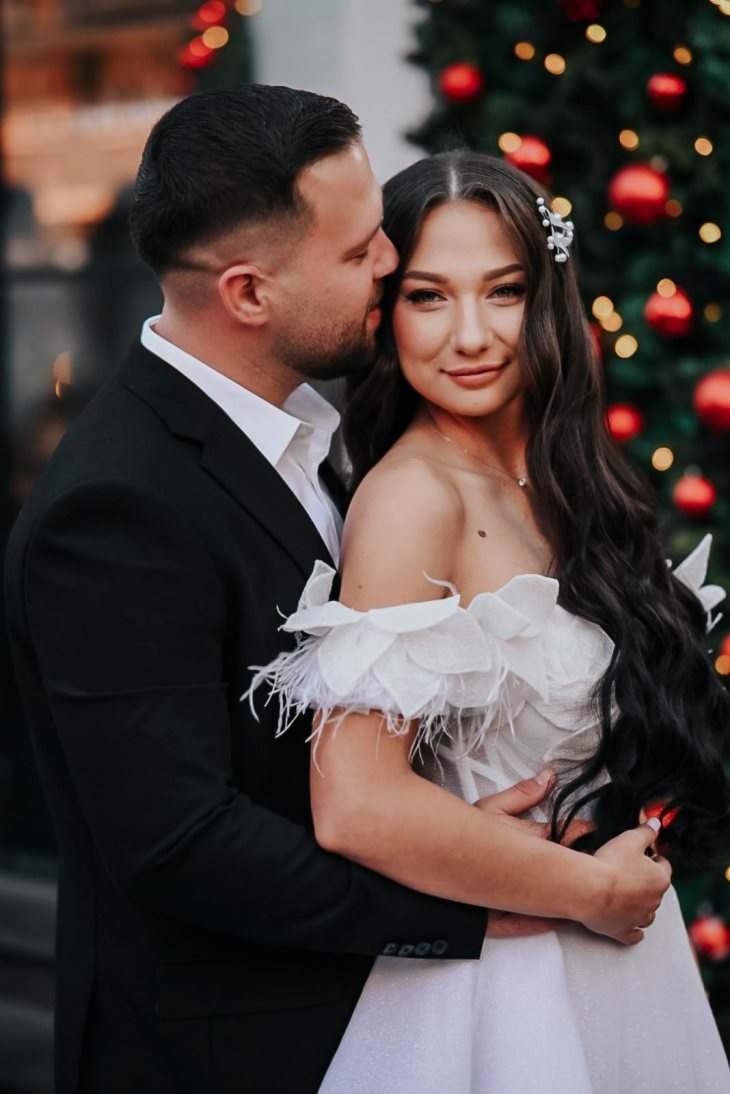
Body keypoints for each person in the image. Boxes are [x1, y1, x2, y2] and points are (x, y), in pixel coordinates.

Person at [4, 85, 669, 1093]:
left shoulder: (315, 437)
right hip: (233, 1053)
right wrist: (506, 896)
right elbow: (177, 843)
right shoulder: (115, 504)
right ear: (248, 293)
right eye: (361, 252)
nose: (392, 263)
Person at [255, 151, 730, 1091]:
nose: (470, 336)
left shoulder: (572, 479)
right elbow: (356, 804)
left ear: (545, 299)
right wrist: (592, 889)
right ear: (386, 311)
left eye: (503, 291)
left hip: (624, 962)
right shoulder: (410, 499)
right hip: (506, 989)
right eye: (428, 297)